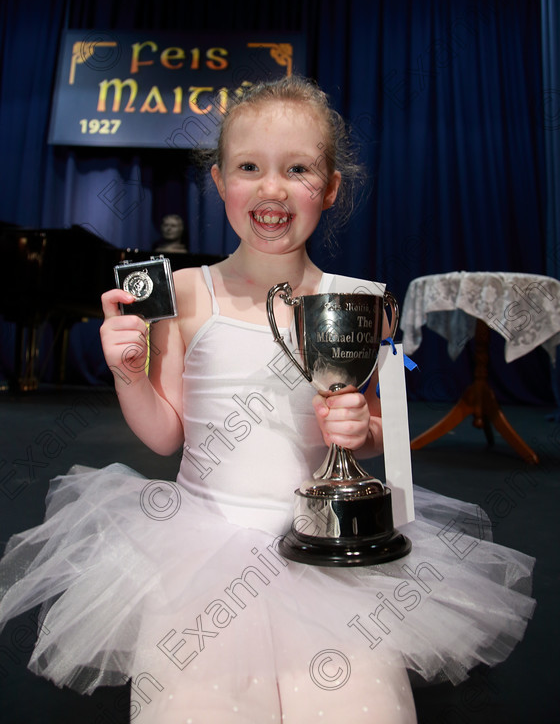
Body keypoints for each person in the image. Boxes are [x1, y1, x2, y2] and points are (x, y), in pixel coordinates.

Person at [0, 77, 535, 724]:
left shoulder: (363, 301)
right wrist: (130, 373)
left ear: (331, 188)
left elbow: (384, 428)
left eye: (298, 169)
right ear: (220, 180)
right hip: (199, 551)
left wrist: (359, 428)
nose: (272, 188)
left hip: (327, 548)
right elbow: (165, 435)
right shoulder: (184, 294)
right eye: (249, 167)